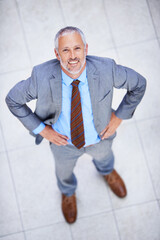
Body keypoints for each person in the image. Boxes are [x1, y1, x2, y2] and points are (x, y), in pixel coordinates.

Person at [6, 26, 146, 224]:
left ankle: (107, 172)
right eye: (65, 50)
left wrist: (119, 116)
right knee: (63, 172)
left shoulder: (106, 68)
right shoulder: (41, 76)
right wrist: (42, 130)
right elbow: (13, 99)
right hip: (63, 143)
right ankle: (68, 192)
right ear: (57, 53)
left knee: (105, 158)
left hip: (100, 136)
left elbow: (139, 84)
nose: (72, 56)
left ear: (86, 49)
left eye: (77, 48)